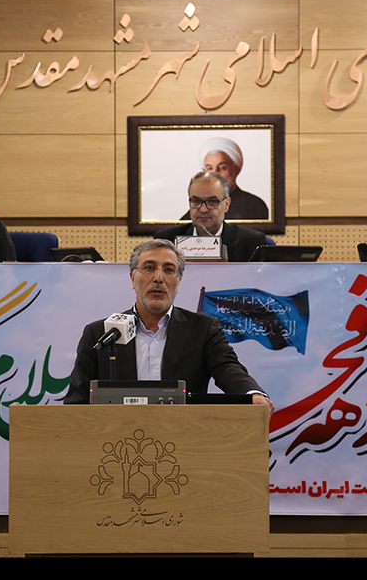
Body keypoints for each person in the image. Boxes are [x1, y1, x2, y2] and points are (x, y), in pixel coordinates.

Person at [65, 239, 272, 409]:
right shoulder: (100, 334)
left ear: (178, 281)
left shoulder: (203, 329)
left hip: (183, 438)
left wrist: (252, 394)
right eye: (149, 268)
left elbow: (228, 369)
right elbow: (75, 404)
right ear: (132, 278)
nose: (158, 278)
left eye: (169, 270)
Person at [156, 171, 267, 262]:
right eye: (196, 201)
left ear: (226, 205)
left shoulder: (251, 243)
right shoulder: (166, 241)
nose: (203, 209)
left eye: (212, 202)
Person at [195, 136, 269, 220]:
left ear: (236, 169)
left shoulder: (255, 206)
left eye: (223, 168)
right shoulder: (198, 208)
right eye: (210, 169)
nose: (215, 174)